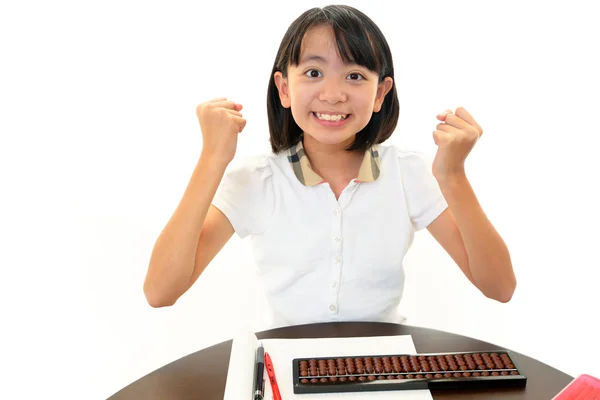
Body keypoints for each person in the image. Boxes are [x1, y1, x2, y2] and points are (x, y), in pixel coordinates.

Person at [143, 5, 516, 328]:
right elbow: (161, 291)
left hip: (385, 368)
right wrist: (213, 158)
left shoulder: (407, 173)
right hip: (287, 368)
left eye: (354, 76)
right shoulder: (258, 180)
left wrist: (452, 175)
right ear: (284, 88)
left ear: (380, 93)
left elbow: (499, 286)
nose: (333, 94)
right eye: (313, 73)